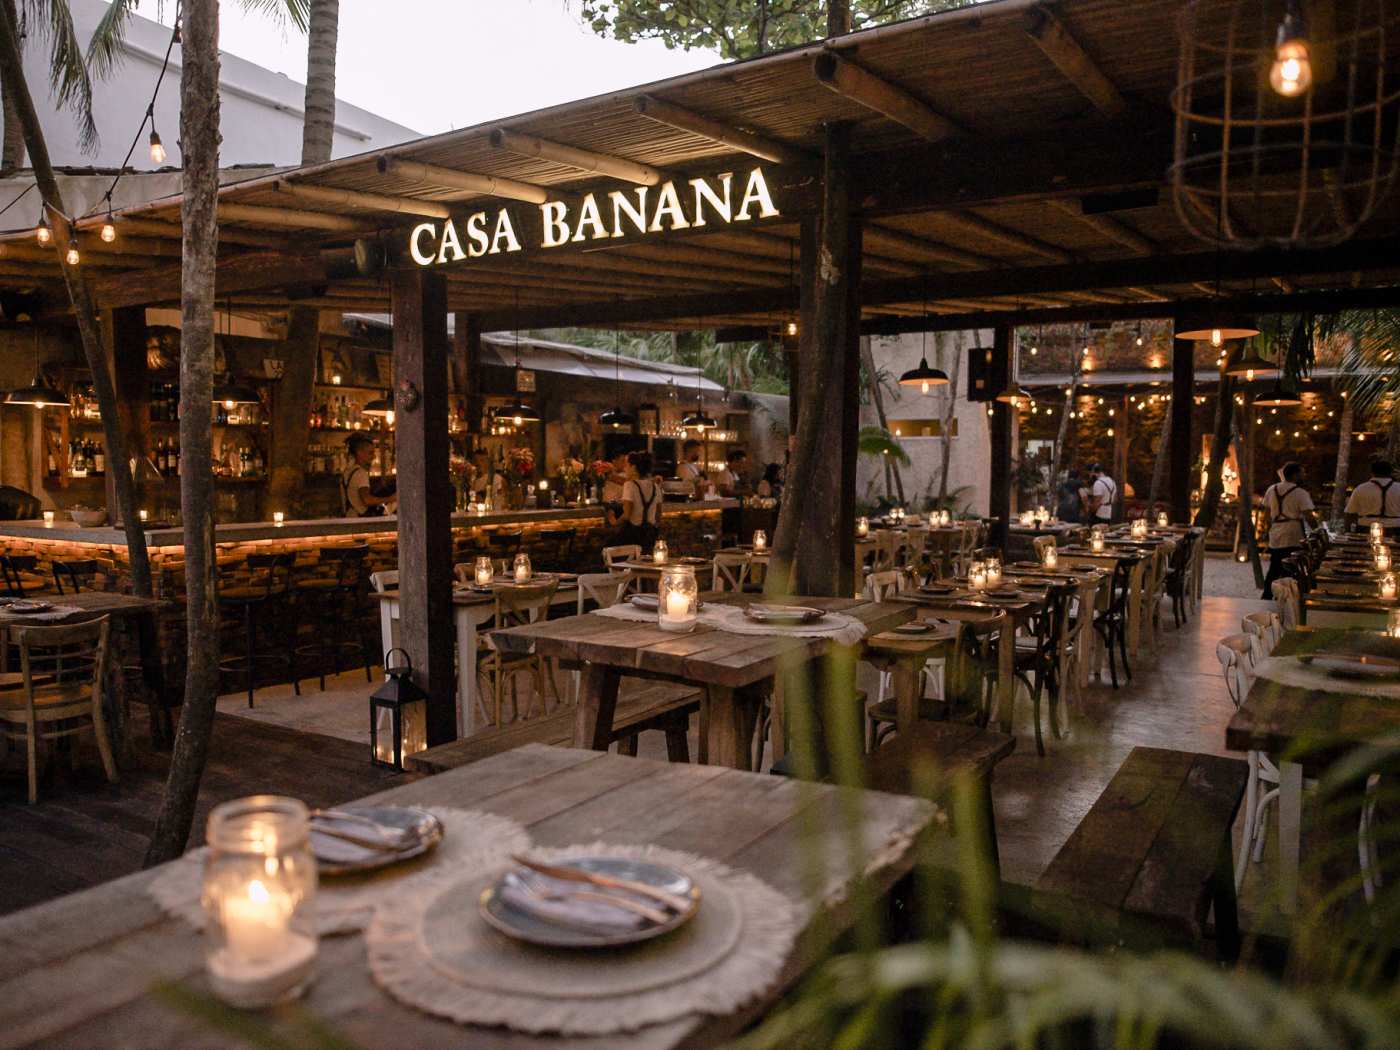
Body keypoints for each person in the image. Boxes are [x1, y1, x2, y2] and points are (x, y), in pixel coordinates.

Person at [1261, 461, 1317, 599]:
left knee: (1274, 566)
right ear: (1295, 475)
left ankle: (1267, 595)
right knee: (1291, 567)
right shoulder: (1301, 493)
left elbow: (1266, 514)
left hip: (1276, 532)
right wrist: (1317, 530)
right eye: (1302, 473)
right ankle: (1287, 596)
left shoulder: (1271, 489)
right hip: (1293, 534)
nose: (1304, 475)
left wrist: (1268, 530)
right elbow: (1308, 515)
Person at [609, 450, 662, 548]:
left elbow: (627, 515)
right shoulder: (656, 486)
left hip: (633, 535)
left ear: (633, 467)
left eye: (627, 465)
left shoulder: (630, 485)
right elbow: (658, 516)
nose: (625, 468)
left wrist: (614, 522)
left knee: (608, 548)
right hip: (650, 535)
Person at [342, 434, 395, 517]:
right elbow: (367, 500)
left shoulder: (348, 471)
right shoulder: (361, 474)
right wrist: (391, 498)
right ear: (359, 453)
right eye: (370, 453)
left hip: (350, 515)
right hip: (360, 519)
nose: (374, 456)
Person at [1345, 458, 1400, 533]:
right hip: (1395, 528)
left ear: (1372, 473)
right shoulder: (1398, 488)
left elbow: (1350, 513)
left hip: (1366, 528)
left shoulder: (1361, 489)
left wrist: (1348, 531)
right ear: (1391, 472)